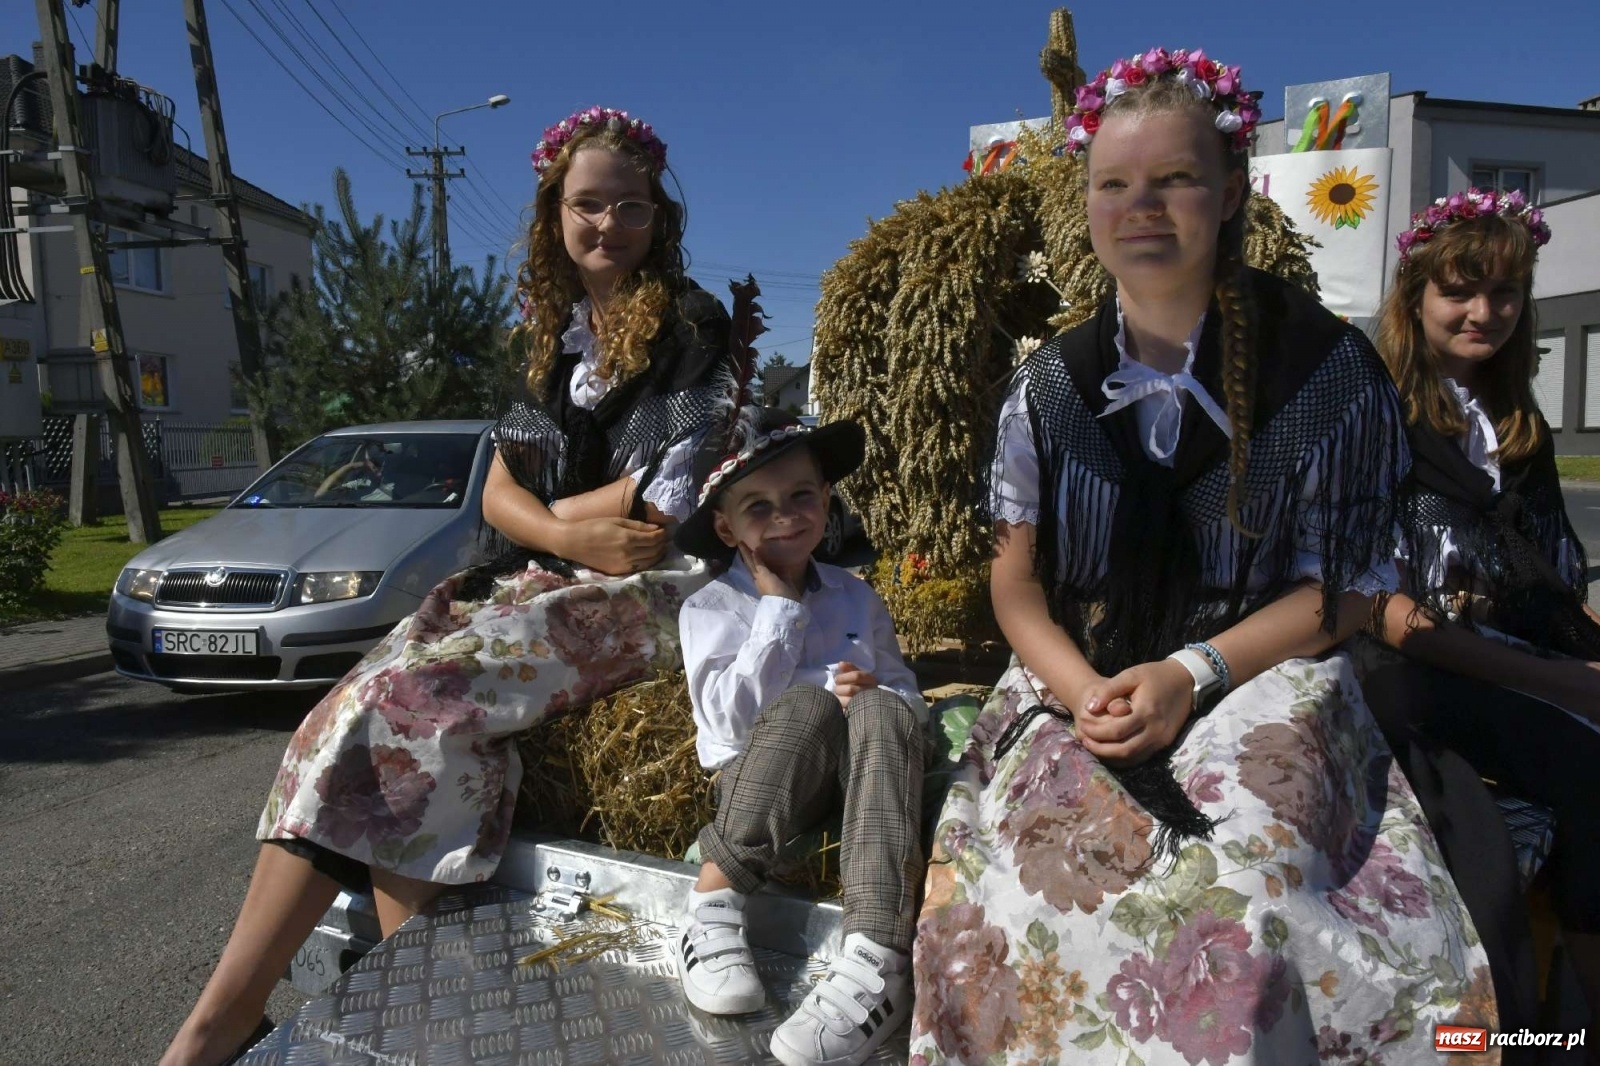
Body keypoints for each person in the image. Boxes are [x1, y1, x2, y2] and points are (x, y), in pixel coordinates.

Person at [908, 49, 1495, 1064]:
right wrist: (1085, 691)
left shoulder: (1321, 367)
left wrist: (1194, 671)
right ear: (1086, 204)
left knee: (1241, 886)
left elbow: (1354, 581)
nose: (1142, 206)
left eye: (1174, 180)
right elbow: (1017, 583)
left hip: (1264, 673)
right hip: (1079, 673)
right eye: (1114, 185)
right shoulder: (1048, 389)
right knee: (1028, 890)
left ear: (1228, 196)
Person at [160, 106, 732, 1066]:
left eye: (631, 208)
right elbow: (497, 488)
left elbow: (657, 504)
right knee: (342, 711)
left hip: (653, 588)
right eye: (589, 205)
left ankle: (405, 1018)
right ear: (555, 212)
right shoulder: (539, 336)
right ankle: (225, 1016)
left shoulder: (693, 329)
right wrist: (553, 528)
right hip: (541, 569)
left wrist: (553, 528)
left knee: (416, 704)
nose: (609, 226)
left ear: (657, 219)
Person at [1361, 188, 1600, 1049]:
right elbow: (1376, 607)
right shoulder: (1374, 417)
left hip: (1506, 660)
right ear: (1415, 297)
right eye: (1459, 290)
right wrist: (1560, 682)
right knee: (1578, 778)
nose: (1483, 312)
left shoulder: (1517, 424)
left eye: (1504, 293)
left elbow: (1549, 580)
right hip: (1409, 674)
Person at [671, 406, 927, 1066]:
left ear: (827, 500)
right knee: (808, 707)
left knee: (881, 710)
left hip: (859, 792)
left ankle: (876, 956)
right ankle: (714, 901)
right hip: (763, 787)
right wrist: (780, 609)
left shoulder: (857, 598)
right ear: (725, 527)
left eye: (800, 496)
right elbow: (727, 722)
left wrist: (875, 695)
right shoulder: (709, 609)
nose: (783, 516)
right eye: (756, 506)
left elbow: (906, 694)